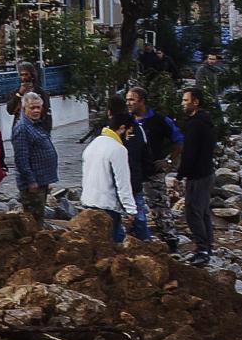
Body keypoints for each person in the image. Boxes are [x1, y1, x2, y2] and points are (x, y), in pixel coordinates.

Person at [122, 85, 179, 247]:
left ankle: (170, 240)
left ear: (142, 101)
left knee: (160, 208)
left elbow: (179, 141)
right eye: (127, 100)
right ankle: (136, 239)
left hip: (153, 173)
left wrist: (168, 160)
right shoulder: (125, 122)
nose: (129, 103)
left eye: (132, 99)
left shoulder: (160, 121)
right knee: (131, 209)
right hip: (131, 174)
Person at [81, 102, 143, 244]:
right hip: (107, 208)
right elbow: (123, 183)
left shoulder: (94, 144)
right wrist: (131, 210)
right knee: (112, 245)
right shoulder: (118, 149)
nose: (128, 137)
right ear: (121, 129)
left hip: (88, 203)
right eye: (129, 132)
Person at [177, 86, 218, 265]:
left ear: (196, 102)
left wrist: (179, 175)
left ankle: (202, 250)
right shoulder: (207, 121)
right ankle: (208, 246)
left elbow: (189, 153)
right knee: (203, 212)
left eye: (186, 100)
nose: (182, 104)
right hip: (207, 172)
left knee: (193, 212)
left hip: (197, 175)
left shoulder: (195, 124)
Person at [11, 91, 60, 224]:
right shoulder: (22, 128)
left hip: (41, 181)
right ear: (24, 108)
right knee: (34, 221)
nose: (36, 110)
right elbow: (21, 159)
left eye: (38, 107)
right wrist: (31, 181)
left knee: (39, 218)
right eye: (32, 107)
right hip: (32, 186)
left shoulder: (36, 124)